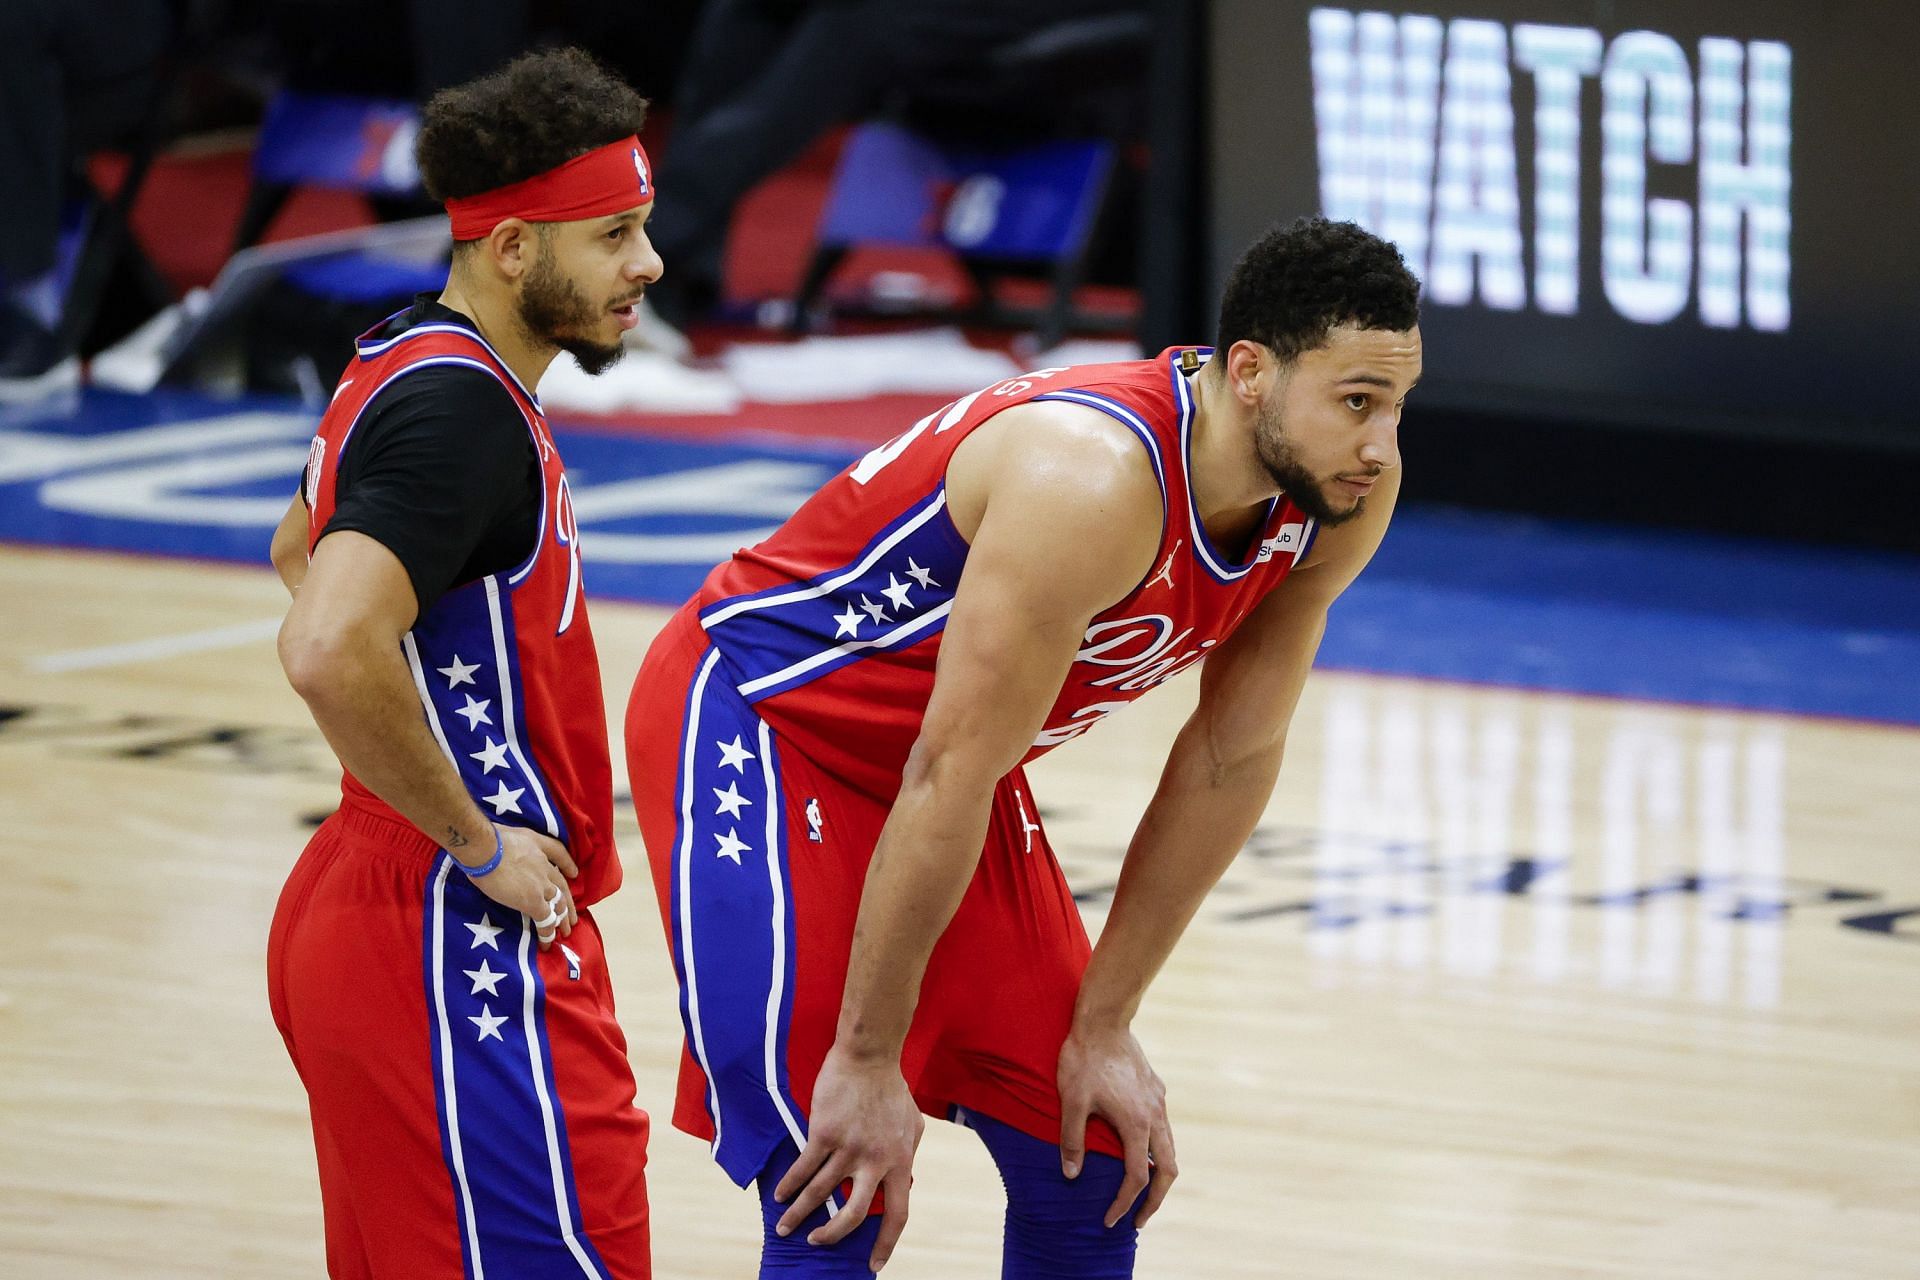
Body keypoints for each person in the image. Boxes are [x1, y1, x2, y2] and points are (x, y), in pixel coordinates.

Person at [624, 215, 1423, 1276]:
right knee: (841, 1170)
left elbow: (1231, 756)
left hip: (945, 762)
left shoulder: (1339, 496)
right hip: (769, 726)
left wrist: (1105, 1020)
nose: (1380, 442)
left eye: (1398, 405)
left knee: (1096, 1155)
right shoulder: (1091, 481)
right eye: (1355, 401)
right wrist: (867, 1054)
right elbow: (948, 768)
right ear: (1250, 374)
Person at [266, 48, 660, 1279]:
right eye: (614, 235)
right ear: (512, 250)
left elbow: (299, 543)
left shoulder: (403, 354)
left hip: (376, 905)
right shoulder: (463, 414)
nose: (647, 265)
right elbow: (328, 640)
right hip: (448, 935)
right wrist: (477, 837)